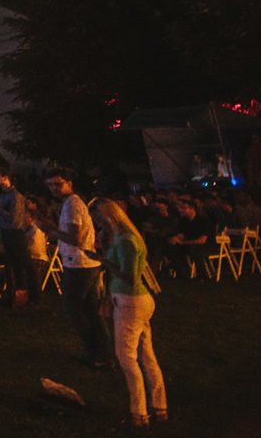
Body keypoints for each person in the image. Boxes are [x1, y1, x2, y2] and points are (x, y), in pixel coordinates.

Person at [93, 198, 167, 428]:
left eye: (99, 219)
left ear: (109, 216)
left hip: (131, 301)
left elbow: (130, 277)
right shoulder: (122, 238)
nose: (98, 224)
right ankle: (159, 406)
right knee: (146, 355)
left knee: (126, 356)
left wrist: (103, 261)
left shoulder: (127, 241)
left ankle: (139, 412)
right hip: (132, 301)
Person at [43, 170, 112, 368]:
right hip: (85, 263)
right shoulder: (71, 203)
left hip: (79, 264)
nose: (54, 188)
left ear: (69, 183)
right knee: (92, 311)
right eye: (50, 185)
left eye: (58, 184)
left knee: (72, 309)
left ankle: (95, 350)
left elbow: (75, 238)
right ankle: (103, 354)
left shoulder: (72, 205)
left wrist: (51, 230)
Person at [0, 167, 32, 305]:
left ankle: (22, 299)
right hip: (5, 232)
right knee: (9, 266)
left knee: (19, 266)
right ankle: (11, 296)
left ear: (5, 178)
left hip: (15, 233)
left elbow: (14, 219)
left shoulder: (16, 196)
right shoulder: (3, 195)